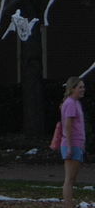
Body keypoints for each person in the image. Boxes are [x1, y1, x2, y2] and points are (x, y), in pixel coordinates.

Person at [60, 76, 86, 208]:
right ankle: (68, 205)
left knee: (72, 179)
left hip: (77, 144)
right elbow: (68, 126)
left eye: (83, 87)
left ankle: (69, 204)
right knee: (69, 180)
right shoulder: (70, 103)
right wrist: (70, 147)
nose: (83, 89)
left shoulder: (75, 103)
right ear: (73, 88)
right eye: (80, 87)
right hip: (72, 144)